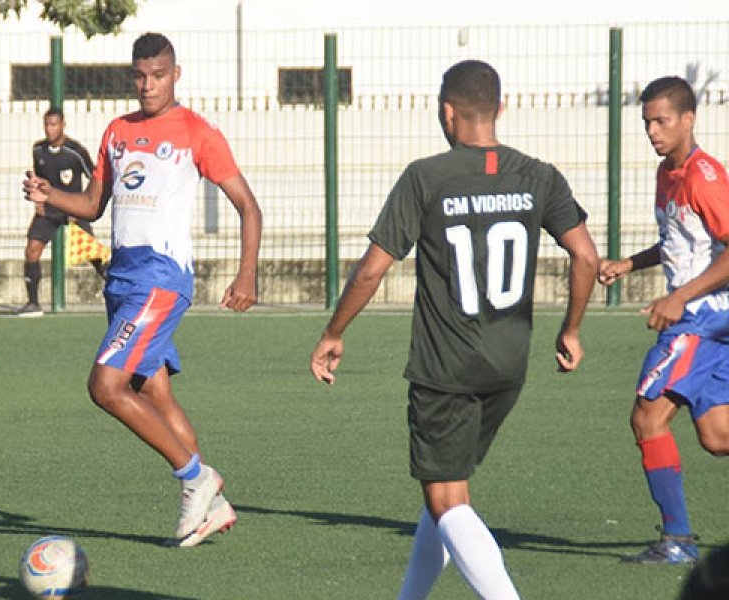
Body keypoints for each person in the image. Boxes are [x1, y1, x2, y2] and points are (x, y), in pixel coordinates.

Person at [309, 60, 598, 599]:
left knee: (448, 501)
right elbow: (584, 255)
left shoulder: (427, 177)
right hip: (508, 366)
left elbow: (373, 267)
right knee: (443, 492)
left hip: (447, 370)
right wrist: (572, 329)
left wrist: (334, 332)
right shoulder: (540, 175)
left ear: (447, 112)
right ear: (500, 109)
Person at [23, 33, 262, 548]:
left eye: (158, 75)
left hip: (162, 278)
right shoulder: (117, 131)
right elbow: (91, 205)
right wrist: (50, 198)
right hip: (123, 278)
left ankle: (197, 479)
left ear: (176, 74)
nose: (148, 85)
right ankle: (211, 506)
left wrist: (247, 273)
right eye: (140, 75)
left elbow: (249, 206)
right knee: (153, 391)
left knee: (106, 386)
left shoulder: (197, 132)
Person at [596, 76, 729, 565]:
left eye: (662, 121)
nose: (652, 130)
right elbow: (680, 241)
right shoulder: (666, 173)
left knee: (647, 416)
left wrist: (680, 299)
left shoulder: (704, 176)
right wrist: (630, 264)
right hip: (707, 317)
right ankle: (678, 541)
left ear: (688, 120)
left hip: (704, 317)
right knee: (717, 436)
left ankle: (678, 541)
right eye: (647, 121)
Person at [17, 107, 105, 318]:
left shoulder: (75, 151)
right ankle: (33, 303)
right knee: (32, 250)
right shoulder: (38, 150)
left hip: (73, 208)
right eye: (47, 125)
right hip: (49, 209)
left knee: (93, 253)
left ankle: (118, 290)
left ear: (63, 125)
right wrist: (36, 198)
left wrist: (84, 203)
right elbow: (38, 176)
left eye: (54, 124)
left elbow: (95, 178)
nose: (50, 129)